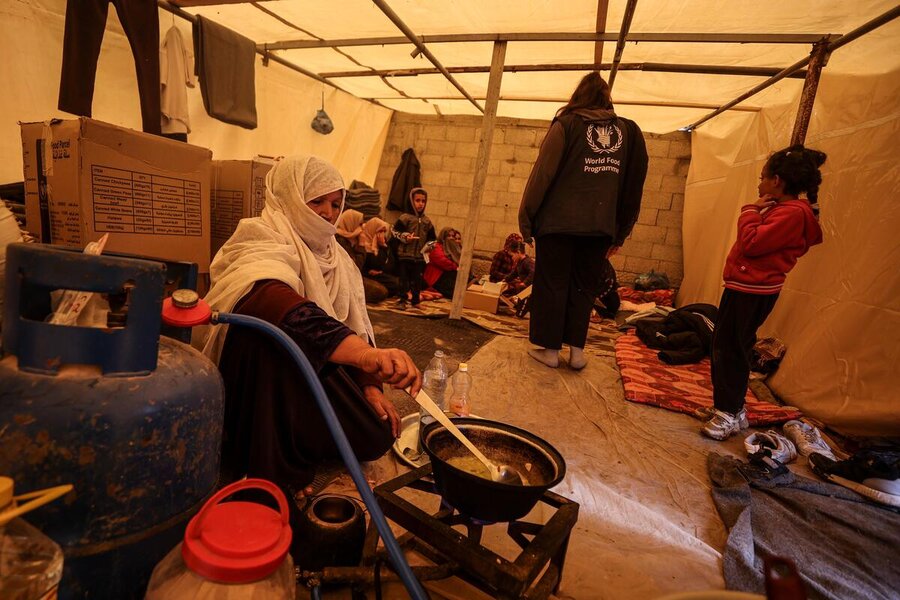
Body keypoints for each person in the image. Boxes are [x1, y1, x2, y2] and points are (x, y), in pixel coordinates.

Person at [193, 155, 422, 504]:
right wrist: (365, 356)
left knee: (375, 434)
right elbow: (267, 296)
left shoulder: (337, 257)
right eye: (316, 201)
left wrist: (369, 384)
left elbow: (351, 325)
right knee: (272, 337)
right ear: (289, 195)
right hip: (258, 377)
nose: (328, 213)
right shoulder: (259, 233)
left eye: (335, 203)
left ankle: (290, 437)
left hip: (314, 360)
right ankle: (270, 466)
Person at [518, 71, 648, 370]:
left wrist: (527, 220)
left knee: (552, 283)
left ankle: (548, 350)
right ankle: (577, 352)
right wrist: (620, 233)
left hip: (557, 225)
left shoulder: (566, 124)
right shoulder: (630, 132)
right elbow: (633, 187)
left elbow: (542, 175)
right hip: (600, 227)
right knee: (584, 286)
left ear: (578, 96)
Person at [702, 145, 826, 441]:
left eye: (762, 178)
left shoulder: (792, 213)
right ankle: (733, 407)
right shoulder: (785, 211)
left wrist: (751, 210)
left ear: (777, 181)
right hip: (745, 287)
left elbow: (752, 243)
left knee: (730, 349)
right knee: (729, 345)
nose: (759, 185)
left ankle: (728, 412)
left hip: (751, 290)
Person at [392, 187, 435, 308]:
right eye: (417, 200)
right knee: (404, 280)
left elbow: (432, 238)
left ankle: (415, 301)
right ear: (411, 201)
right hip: (405, 255)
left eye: (423, 201)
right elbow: (394, 232)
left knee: (417, 280)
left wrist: (429, 247)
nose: (420, 204)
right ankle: (402, 300)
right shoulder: (405, 218)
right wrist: (405, 237)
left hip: (420, 257)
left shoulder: (427, 221)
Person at [359, 217, 399, 301]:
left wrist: (384, 247)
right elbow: (375, 264)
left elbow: (390, 264)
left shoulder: (380, 245)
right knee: (394, 284)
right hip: (366, 275)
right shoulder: (364, 243)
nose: (382, 235)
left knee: (398, 282)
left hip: (378, 275)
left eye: (384, 232)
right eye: (380, 231)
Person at [423, 227, 462, 298]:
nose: (451, 238)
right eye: (448, 236)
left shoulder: (448, 246)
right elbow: (442, 260)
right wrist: (455, 267)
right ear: (443, 237)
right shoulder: (435, 246)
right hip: (435, 276)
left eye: (452, 236)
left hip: (444, 275)